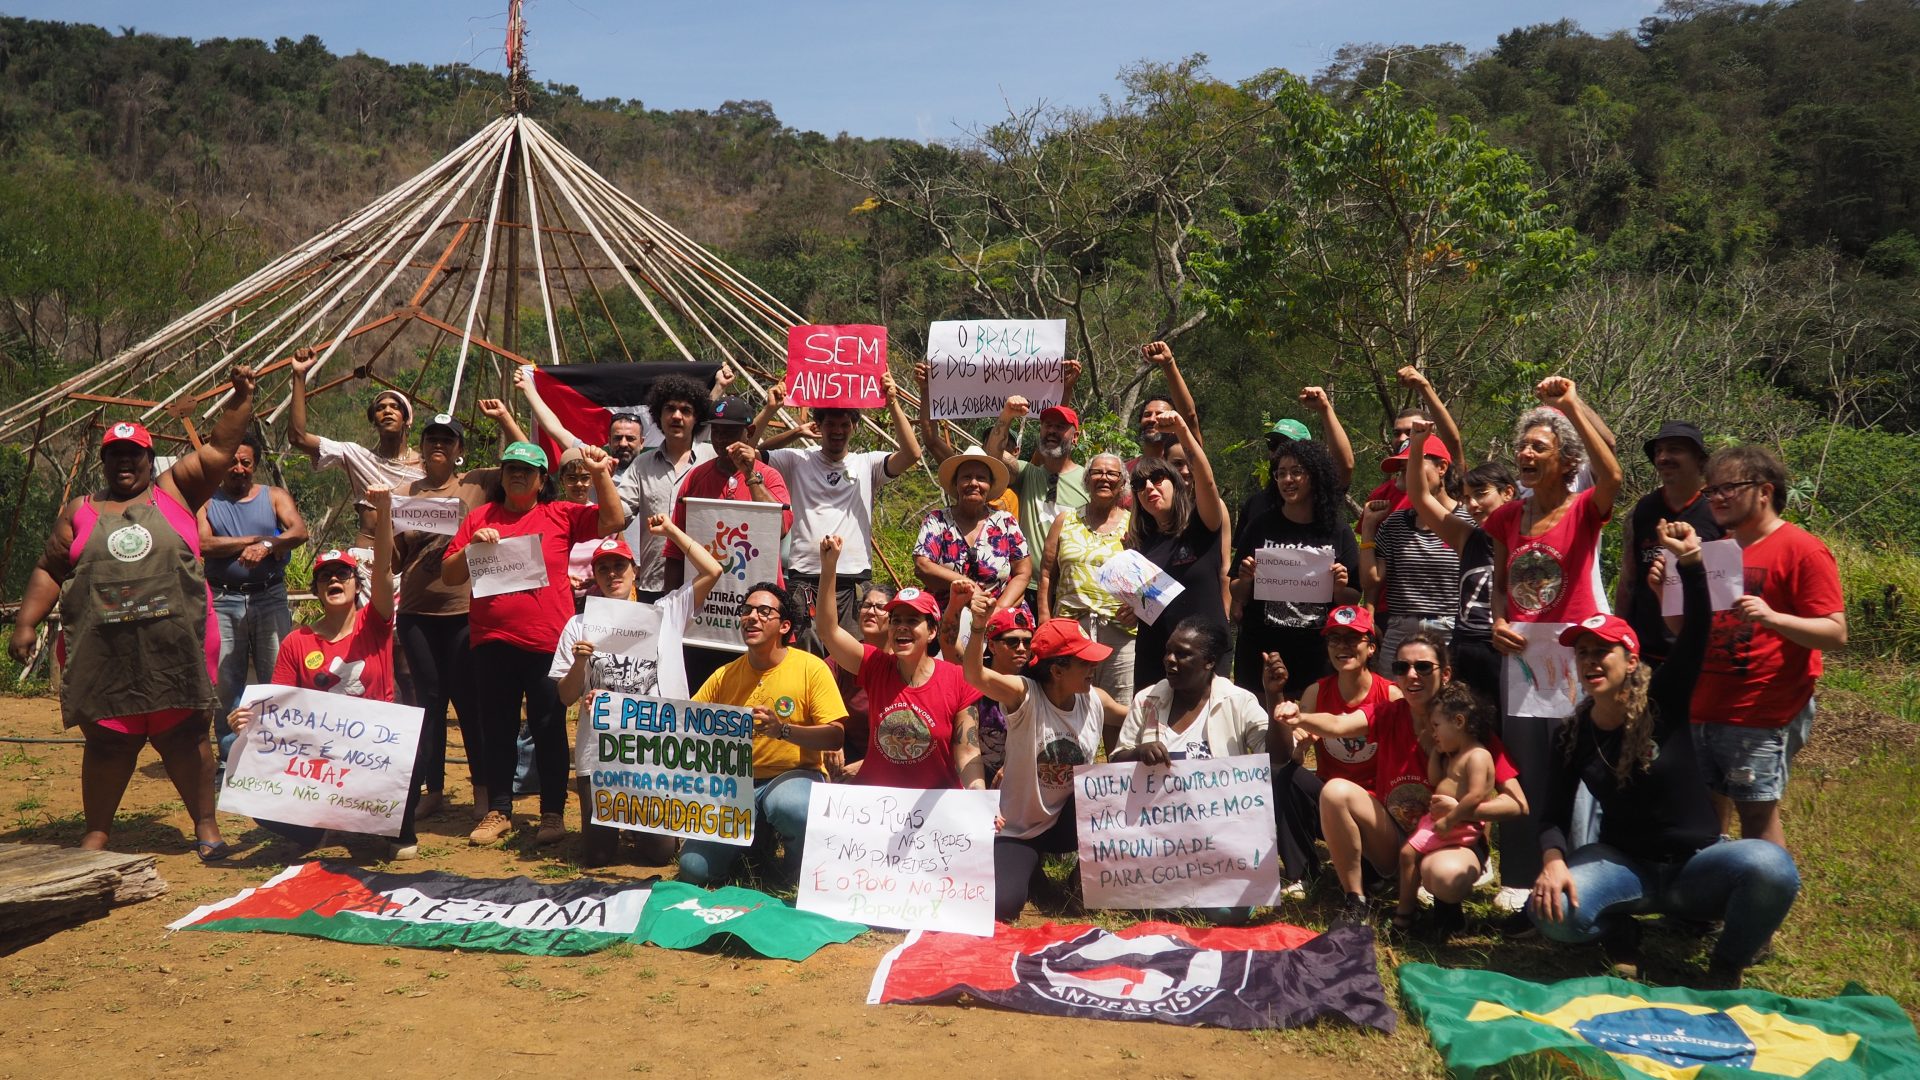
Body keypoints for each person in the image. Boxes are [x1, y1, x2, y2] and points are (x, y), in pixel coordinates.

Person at [1531, 520, 1800, 989]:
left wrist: (1691, 565)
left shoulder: (1664, 704)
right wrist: (1554, 861)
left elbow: (1696, 633)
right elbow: (1551, 812)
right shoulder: (1572, 734)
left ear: (1631, 660)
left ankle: (1726, 964)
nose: (1592, 661)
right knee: (1552, 915)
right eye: (1584, 653)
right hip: (1622, 864)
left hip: (1696, 866)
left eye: (1603, 652)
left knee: (1772, 867)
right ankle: (1620, 929)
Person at [9, 366, 259, 858]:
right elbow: (49, 568)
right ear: (105, 461)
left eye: (134, 452)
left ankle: (206, 827)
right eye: (115, 454)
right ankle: (98, 832)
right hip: (104, 651)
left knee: (187, 737)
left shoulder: (176, 492)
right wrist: (26, 622)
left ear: (148, 456)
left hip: (175, 646)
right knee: (106, 741)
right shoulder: (80, 509)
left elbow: (219, 448)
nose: (125, 460)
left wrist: (242, 397)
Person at [1280, 631, 1529, 934]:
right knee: (1335, 791)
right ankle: (1356, 900)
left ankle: (1445, 908)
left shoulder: (1468, 727)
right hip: (1398, 841)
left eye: (1423, 667)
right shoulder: (1388, 713)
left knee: (1445, 877)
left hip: (1451, 841)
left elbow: (1516, 803)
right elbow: (1338, 724)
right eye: (1402, 668)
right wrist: (1299, 717)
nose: (1412, 675)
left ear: (1445, 673)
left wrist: (1463, 811)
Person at [442, 441, 626, 846]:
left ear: (543, 480)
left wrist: (600, 474)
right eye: (510, 468)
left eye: (527, 470)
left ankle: (553, 814)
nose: (517, 474)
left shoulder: (560, 514)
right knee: (498, 728)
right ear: (502, 476)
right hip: (492, 641)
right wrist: (473, 549)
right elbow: (450, 576)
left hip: (549, 643)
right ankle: (499, 810)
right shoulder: (479, 518)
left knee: (549, 726)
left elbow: (613, 521)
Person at [1486, 376, 1622, 904]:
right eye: (1523, 445)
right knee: (1524, 772)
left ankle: (1583, 881)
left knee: (1579, 767)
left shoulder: (1587, 507)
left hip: (1577, 652)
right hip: (1521, 656)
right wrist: (1498, 620)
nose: (1525, 452)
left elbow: (1612, 471)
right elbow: (1501, 586)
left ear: (1566, 462)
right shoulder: (1506, 517)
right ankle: (1521, 883)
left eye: (1538, 447)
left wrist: (1569, 405)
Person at [226, 487, 416, 856]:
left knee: (413, 752)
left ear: (355, 584)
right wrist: (247, 721)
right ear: (315, 590)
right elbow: (276, 708)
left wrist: (385, 510)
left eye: (343, 574)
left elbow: (383, 570)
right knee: (249, 769)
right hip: (322, 758)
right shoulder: (297, 642)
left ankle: (383, 823)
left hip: (372, 751)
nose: (334, 580)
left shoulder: (373, 624)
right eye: (325, 575)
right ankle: (321, 830)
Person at [1691, 445, 1844, 847]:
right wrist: (1663, 590)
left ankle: (1763, 905)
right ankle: (1703, 905)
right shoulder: (1718, 550)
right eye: (1711, 490)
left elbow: (1835, 632)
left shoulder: (1802, 548)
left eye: (1730, 488)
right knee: (1704, 813)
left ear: (1764, 491)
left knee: (1756, 812)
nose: (1718, 498)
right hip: (1704, 703)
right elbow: (1688, 627)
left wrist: (1771, 618)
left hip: (1763, 707)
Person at [552, 520, 722, 867]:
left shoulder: (666, 612)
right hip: (600, 752)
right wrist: (580, 663)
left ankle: (646, 827)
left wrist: (673, 532)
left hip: (653, 753)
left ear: (636, 572)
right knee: (598, 858)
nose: (612, 574)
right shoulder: (578, 625)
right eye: (603, 569)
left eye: (619, 566)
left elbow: (713, 569)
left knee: (658, 856)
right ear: (595, 577)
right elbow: (565, 697)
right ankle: (625, 824)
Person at [961, 594, 1126, 922]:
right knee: (1003, 906)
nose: (1094, 668)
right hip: (1018, 828)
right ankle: (1030, 869)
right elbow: (975, 676)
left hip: (1067, 820)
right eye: (1084, 662)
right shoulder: (1024, 696)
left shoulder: (1094, 699)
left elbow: (1134, 716)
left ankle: (1081, 882)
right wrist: (978, 628)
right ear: (1057, 670)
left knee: (1111, 791)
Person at [390, 407, 518, 822]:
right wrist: (380, 523)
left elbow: (524, 459)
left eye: (448, 439)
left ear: (460, 449)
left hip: (464, 610)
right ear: (422, 447)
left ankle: (483, 795)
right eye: (432, 439)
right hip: (416, 611)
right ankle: (434, 789)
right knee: (428, 703)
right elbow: (395, 561)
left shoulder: (476, 484)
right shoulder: (404, 492)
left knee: (470, 702)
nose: (439, 445)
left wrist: (505, 419)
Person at [676, 581, 848, 886]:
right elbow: (678, 721)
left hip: (795, 778)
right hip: (734, 789)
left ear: (784, 626)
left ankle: (796, 871)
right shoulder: (724, 675)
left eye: (763, 611)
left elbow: (834, 736)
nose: (751, 617)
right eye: (746, 610)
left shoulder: (811, 668)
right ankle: (754, 848)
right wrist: (611, 706)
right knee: (693, 869)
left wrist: (782, 731)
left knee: (788, 806)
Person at [1110, 618, 1273, 923]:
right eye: (1168, 652)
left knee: (1227, 914)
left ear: (1210, 662)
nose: (1170, 661)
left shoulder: (1238, 701)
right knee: (1145, 905)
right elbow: (1114, 768)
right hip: (1157, 841)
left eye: (1182, 654)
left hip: (1220, 845)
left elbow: (1275, 758)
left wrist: (1274, 697)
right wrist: (1138, 753)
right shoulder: (1146, 700)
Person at [753, 372, 921, 642]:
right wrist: (772, 410)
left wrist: (893, 404)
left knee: (853, 662)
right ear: (818, 425)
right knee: (808, 660)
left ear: (855, 426)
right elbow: (747, 453)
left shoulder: (868, 464)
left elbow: (912, 454)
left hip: (853, 580)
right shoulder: (798, 460)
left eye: (845, 424)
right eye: (830, 424)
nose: (838, 431)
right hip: (806, 578)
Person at [816, 536, 987, 791]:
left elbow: (968, 750)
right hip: (877, 805)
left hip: (937, 811)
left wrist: (977, 798)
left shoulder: (957, 679)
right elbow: (828, 631)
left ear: (931, 632)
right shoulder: (876, 666)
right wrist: (828, 567)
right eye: (896, 620)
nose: (901, 627)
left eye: (912, 620)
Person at [663, 394, 793, 691]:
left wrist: (751, 474)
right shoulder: (696, 478)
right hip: (704, 615)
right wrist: (669, 605)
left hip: (755, 613)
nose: (722, 439)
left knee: (753, 699)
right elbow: (675, 548)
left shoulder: (770, 477)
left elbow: (781, 527)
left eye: (731, 432)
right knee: (701, 695)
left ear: (748, 434)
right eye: (717, 431)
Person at [1271, 606, 1403, 892]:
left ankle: (1383, 871)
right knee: (1285, 774)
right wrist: (1301, 744)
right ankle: (1303, 873)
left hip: (1376, 808)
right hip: (1330, 804)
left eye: (1352, 639)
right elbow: (1295, 756)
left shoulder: (1391, 695)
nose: (1343, 646)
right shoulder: (1316, 692)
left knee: (1374, 882)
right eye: (1335, 639)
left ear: (1371, 647)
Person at [1229, 437, 1358, 701]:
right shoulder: (1260, 526)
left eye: (1297, 472)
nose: (1287, 480)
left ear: (1315, 476)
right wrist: (1245, 578)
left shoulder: (1337, 530)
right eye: (1281, 473)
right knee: (1261, 733)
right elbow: (1237, 591)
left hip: (1316, 655)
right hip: (1261, 652)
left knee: (1311, 732)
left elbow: (1352, 598)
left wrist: (1339, 587)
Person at [198, 434, 308, 734]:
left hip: (269, 596)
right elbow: (202, 544)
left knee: (277, 675)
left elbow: (298, 531)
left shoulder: (274, 496)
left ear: (255, 465)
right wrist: (251, 541)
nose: (238, 468)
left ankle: (277, 747)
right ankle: (230, 755)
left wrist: (268, 546)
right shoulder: (207, 501)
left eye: (245, 462)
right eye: (231, 462)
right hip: (222, 599)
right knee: (225, 681)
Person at [287, 347, 424, 561]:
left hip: (411, 562)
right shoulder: (357, 456)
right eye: (380, 408)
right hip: (366, 559)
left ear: (407, 419)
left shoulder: (425, 467)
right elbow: (298, 438)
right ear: (373, 420)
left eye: (395, 407)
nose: (387, 411)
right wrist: (299, 375)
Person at [1127, 411, 1229, 689]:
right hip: (1154, 654)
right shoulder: (1142, 544)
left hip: (1204, 654)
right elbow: (1150, 602)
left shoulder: (1202, 522)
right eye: (1139, 484)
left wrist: (1183, 430)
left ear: (1176, 481)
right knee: (1151, 731)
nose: (1149, 487)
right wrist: (1133, 608)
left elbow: (1206, 480)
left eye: (1158, 478)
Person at [1362, 431, 1473, 671]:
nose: (1406, 475)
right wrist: (1369, 527)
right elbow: (1372, 580)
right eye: (1402, 469)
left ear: (1442, 467)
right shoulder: (1394, 524)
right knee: (1395, 704)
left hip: (1449, 631)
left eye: (1412, 465)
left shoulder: (1468, 522)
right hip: (1400, 631)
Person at [1037, 451, 1134, 720]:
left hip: (1120, 631)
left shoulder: (1134, 523)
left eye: (1112, 473)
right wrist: (1046, 621)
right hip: (1070, 630)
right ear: (1087, 479)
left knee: (1118, 714)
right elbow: (1046, 573)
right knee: (1070, 710)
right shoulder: (1065, 521)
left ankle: (1116, 763)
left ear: (1122, 482)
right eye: (1097, 472)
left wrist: (1138, 609)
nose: (1104, 478)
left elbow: (1148, 576)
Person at [1393, 683, 1496, 932]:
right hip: (1442, 821)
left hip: (1461, 825)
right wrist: (1435, 753)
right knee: (1409, 854)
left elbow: (1475, 796)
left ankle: (1404, 914)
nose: (1433, 732)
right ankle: (1414, 909)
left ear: (1459, 722)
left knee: (1408, 854)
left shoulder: (1477, 756)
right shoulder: (1454, 755)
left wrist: (1450, 819)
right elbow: (1434, 781)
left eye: (1437, 726)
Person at [1619, 421, 1722, 666]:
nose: (1664, 457)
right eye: (1659, 452)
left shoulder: (1719, 511)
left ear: (1700, 460)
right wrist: (1620, 634)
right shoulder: (1643, 510)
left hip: (1699, 648)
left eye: (1674, 449)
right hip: (1646, 648)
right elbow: (1628, 579)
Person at [986, 395, 1087, 592]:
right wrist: (1006, 416)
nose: (1051, 431)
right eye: (1047, 425)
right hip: (1025, 587)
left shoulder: (1089, 480)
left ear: (1075, 437)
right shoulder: (1026, 473)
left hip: (1071, 590)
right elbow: (992, 458)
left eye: (1060, 427)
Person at [939, 581, 1034, 784]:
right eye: (1012, 641)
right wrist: (955, 604)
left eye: (1027, 642)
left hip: (1022, 782)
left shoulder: (1037, 681)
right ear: (991, 645)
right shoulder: (973, 674)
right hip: (973, 781)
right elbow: (948, 641)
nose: (1021, 648)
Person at [914, 448, 1031, 613]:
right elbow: (922, 566)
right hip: (949, 616)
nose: (974, 483)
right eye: (966, 477)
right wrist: (970, 588)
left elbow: (1023, 572)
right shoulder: (937, 520)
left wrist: (997, 611)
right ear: (956, 483)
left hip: (1000, 618)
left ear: (990, 485)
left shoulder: (1005, 522)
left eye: (981, 478)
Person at [825, 581, 896, 780]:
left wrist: (871, 764)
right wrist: (833, 731)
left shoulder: (904, 663)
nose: (870, 612)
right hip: (846, 760)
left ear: (894, 618)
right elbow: (818, 698)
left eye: (880, 607)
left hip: (897, 760)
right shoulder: (839, 660)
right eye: (866, 605)